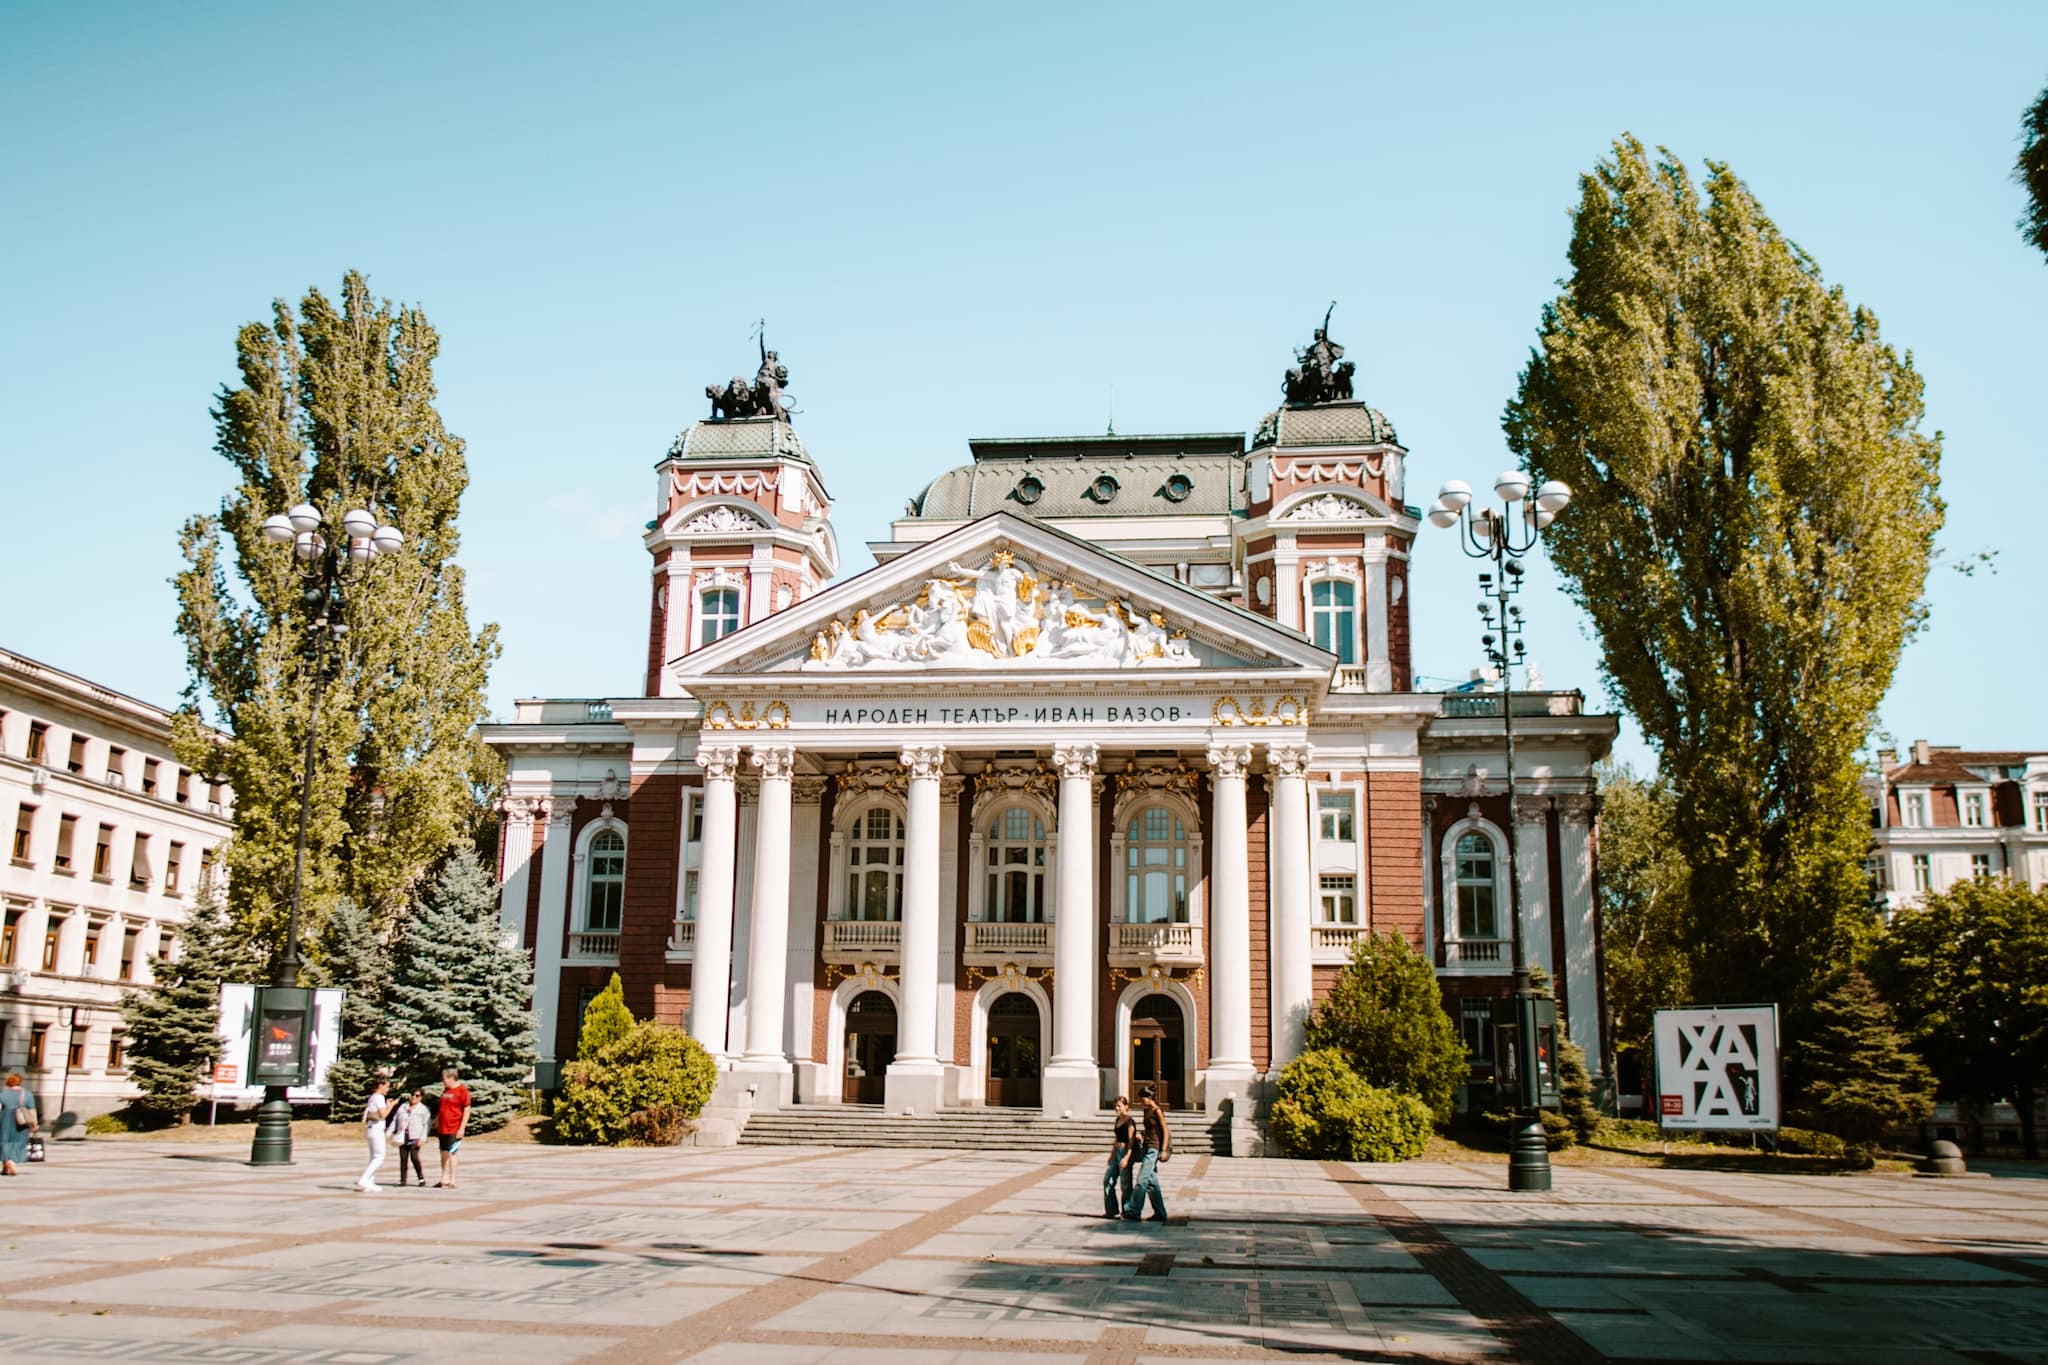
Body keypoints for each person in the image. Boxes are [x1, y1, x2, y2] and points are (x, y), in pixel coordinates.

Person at [1122, 1086, 1171, 1222]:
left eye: (1142, 1098)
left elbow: (1165, 1131)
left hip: (1154, 1149)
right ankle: (1160, 1213)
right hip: (1146, 1147)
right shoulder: (1146, 1111)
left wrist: (1164, 1149)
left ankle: (1133, 1211)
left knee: (1141, 1180)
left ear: (1150, 1098)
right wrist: (1141, 1135)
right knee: (1151, 1183)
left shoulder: (1157, 1111)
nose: (1141, 1101)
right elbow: (1150, 1130)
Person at [434, 1067, 472, 1188]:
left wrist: (462, 1128)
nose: (443, 1081)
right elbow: (442, 1108)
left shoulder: (462, 1091)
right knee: (443, 1153)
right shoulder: (446, 1091)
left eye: (444, 1079)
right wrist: (436, 1120)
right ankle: (443, 1178)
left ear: (451, 1078)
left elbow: (467, 1110)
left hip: (454, 1128)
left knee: (452, 1153)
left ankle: (452, 1180)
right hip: (443, 1127)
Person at [355, 1076, 392, 1193]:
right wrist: (391, 1105)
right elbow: (383, 1115)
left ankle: (369, 1182)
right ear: (380, 1085)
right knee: (379, 1157)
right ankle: (364, 1179)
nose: (388, 1089)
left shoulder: (372, 1097)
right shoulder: (379, 1097)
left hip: (370, 1128)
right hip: (377, 1129)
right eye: (387, 1086)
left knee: (373, 1157)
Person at [1103, 1096, 1136, 1218]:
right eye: (1115, 1106)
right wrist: (1111, 1155)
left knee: (1125, 1184)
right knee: (1108, 1180)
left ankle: (1127, 1210)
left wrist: (1126, 1158)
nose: (1117, 1108)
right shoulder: (1117, 1120)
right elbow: (1116, 1139)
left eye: (1119, 1106)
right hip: (1117, 1151)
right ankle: (1111, 1210)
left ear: (1126, 1106)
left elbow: (1131, 1141)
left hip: (1125, 1152)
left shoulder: (1129, 1122)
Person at [390, 1089, 429, 1187]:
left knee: (414, 1157)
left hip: (415, 1136)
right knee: (403, 1158)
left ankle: (421, 1178)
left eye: (417, 1095)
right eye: (412, 1095)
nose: (414, 1097)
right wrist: (389, 1132)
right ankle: (403, 1180)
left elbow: (426, 1124)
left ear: (421, 1097)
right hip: (403, 1135)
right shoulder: (403, 1107)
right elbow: (395, 1119)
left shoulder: (423, 1109)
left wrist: (423, 1138)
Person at [1, 1071, 38, 1177]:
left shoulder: (3, 1094)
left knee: (4, 1141)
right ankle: (9, 1164)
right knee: (18, 1142)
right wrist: (34, 1124)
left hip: (5, 1120)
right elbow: (32, 1110)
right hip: (21, 1122)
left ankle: (7, 1162)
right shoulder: (27, 1094)